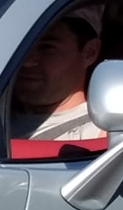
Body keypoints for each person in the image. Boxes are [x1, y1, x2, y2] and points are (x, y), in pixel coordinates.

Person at [6, 12, 103, 146]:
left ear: (89, 53)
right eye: (21, 47)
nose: (27, 61)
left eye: (47, 47)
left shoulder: (105, 137)